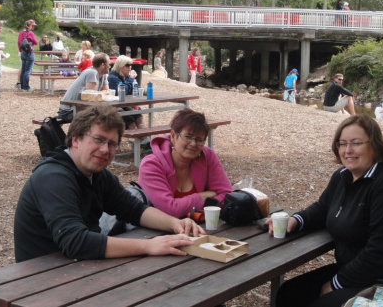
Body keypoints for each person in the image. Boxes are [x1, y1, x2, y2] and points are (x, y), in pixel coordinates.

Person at [269, 115, 383, 307]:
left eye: (356, 143)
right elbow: (323, 208)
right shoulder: (342, 176)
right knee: (289, 294)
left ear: (375, 144)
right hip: (361, 272)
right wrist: (296, 220)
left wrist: (337, 283)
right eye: (342, 144)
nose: (348, 151)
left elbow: (382, 252)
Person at [13, 104, 203, 263]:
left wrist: (175, 224)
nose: (105, 150)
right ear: (75, 140)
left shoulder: (98, 175)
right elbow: (75, 242)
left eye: (112, 144)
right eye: (98, 140)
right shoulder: (53, 177)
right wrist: (149, 245)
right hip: (42, 279)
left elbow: (134, 210)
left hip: (78, 267)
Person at [138, 108, 233, 218]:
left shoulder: (207, 156)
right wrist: (204, 196)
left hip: (198, 225)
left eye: (199, 139)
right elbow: (170, 210)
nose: (193, 144)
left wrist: (187, 206)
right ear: (173, 136)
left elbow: (227, 195)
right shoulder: (151, 165)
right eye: (188, 137)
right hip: (154, 231)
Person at [57, 53, 111, 123]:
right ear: (103, 65)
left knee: (116, 112)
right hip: (69, 110)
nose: (110, 66)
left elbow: (107, 91)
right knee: (103, 117)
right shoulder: (92, 72)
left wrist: (100, 93)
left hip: (81, 108)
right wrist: (101, 93)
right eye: (109, 64)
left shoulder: (103, 74)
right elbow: (92, 98)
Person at [108, 55, 144, 130]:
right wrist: (131, 80)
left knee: (137, 115)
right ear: (120, 66)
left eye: (131, 65)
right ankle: (135, 137)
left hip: (124, 104)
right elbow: (122, 93)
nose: (130, 67)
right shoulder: (112, 77)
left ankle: (144, 137)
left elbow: (136, 88)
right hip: (114, 105)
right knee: (129, 119)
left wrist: (141, 90)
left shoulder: (126, 76)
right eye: (127, 65)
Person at [18, 19, 38, 92]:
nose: (33, 27)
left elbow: (19, 43)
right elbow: (36, 42)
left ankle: (22, 86)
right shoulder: (30, 33)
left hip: (23, 52)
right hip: (30, 52)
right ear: (30, 26)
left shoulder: (21, 33)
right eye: (33, 26)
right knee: (27, 71)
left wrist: (21, 51)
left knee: (23, 70)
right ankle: (26, 87)